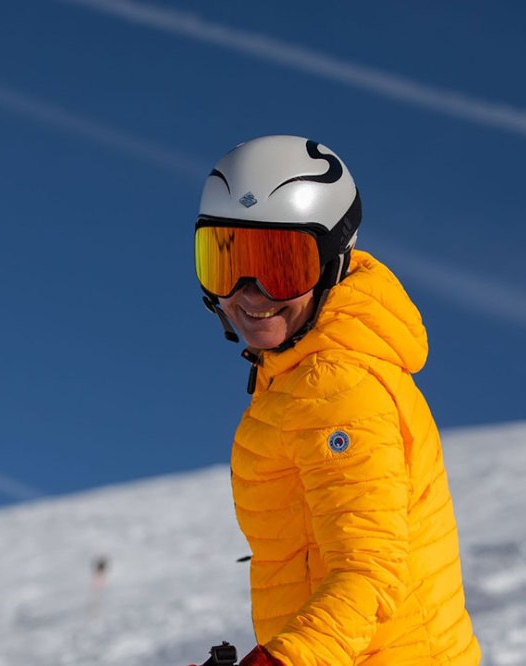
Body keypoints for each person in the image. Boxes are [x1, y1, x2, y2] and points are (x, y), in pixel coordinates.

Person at [194, 135, 480, 665]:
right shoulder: (295, 379)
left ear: (333, 264)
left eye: (281, 266)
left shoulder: (336, 386)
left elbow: (367, 571)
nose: (248, 293)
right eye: (225, 260)